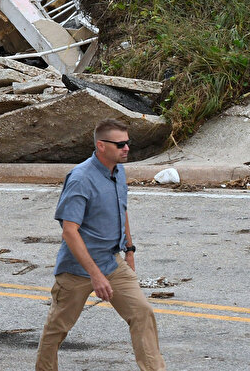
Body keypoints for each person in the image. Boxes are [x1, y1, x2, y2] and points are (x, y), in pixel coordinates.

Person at [35, 120, 165, 371]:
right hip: (77, 269)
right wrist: (95, 275)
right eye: (120, 144)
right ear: (101, 146)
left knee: (142, 313)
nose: (127, 148)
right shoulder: (81, 178)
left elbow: (122, 210)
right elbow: (69, 231)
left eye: (128, 143)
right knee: (57, 329)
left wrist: (129, 251)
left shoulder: (118, 171)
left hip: (111, 262)